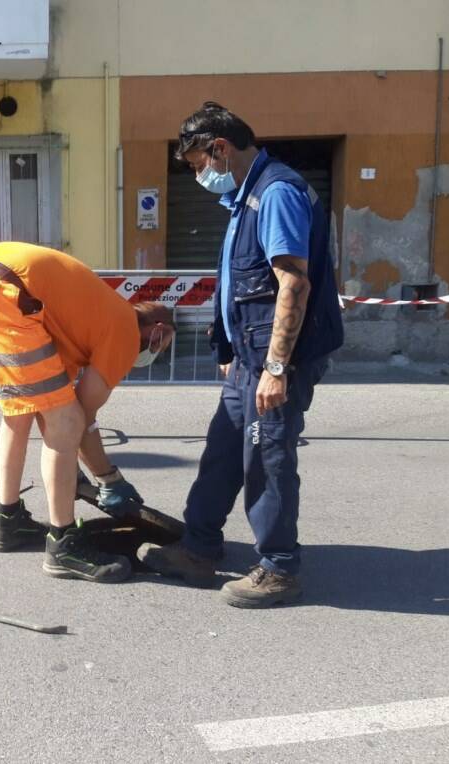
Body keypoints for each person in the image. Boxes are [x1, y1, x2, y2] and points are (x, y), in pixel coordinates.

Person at [139, 102, 343, 607]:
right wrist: (229, 348)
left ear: (220, 148)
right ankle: (199, 549)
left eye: (196, 164)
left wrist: (275, 368)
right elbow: (242, 285)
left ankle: (278, 568)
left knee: (266, 459)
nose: (197, 175)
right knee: (223, 452)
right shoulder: (246, 196)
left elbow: (292, 282)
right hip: (247, 360)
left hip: (276, 362)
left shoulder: (276, 194)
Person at [0, 242, 175, 583]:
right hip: (4, 294)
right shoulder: (125, 330)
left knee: (20, 414)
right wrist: (108, 478)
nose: (157, 351)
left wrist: (79, 470)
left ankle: (10, 522)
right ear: (157, 330)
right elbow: (80, 418)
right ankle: (64, 545)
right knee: (65, 421)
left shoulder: (83, 324)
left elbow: (63, 410)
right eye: (163, 342)